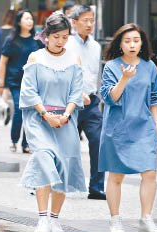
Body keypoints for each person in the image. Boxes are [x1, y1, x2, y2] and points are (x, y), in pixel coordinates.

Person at [19, 12, 85, 232]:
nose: (60, 41)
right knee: (44, 159)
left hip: (66, 120)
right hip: (40, 120)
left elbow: (77, 91)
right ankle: (42, 218)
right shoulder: (35, 58)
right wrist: (47, 115)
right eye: (56, 36)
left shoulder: (74, 58)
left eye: (65, 37)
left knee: (65, 165)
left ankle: (55, 218)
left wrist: (66, 115)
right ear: (46, 35)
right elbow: (28, 91)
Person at [99, 23, 157, 232]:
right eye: (127, 41)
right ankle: (115, 220)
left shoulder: (149, 66)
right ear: (119, 44)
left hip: (144, 126)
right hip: (118, 129)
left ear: (142, 43)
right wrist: (124, 78)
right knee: (116, 176)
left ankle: (146, 218)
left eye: (136, 40)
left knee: (150, 173)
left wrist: (156, 125)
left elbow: (155, 97)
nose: (132, 44)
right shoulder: (110, 67)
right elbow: (110, 98)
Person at [65, 5, 105, 200]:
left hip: (91, 104)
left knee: (98, 141)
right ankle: (48, 182)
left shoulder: (96, 46)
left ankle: (96, 187)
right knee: (63, 146)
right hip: (68, 104)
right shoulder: (66, 44)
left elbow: (96, 73)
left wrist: (98, 95)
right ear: (74, 23)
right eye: (85, 20)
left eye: (92, 20)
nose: (89, 24)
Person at [0, 10, 44, 154]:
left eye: (31, 18)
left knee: (31, 110)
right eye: (26, 19)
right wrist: (1, 83)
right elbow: (3, 62)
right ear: (19, 22)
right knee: (19, 109)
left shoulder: (37, 41)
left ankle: (26, 143)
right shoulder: (11, 40)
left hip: (33, 82)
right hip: (15, 81)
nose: (30, 21)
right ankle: (14, 140)